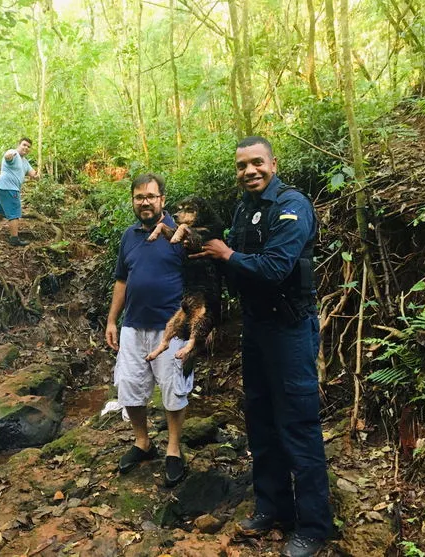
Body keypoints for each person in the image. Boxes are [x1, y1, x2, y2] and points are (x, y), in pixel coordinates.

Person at [194, 136, 331, 557]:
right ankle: (273, 507)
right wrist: (214, 260)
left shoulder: (292, 206)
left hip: (289, 329)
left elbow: (274, 267)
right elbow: (238, 269)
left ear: (273, 163)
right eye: (242, 166)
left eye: (257, 163)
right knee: (260, 418)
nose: (250, 171)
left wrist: (228, 255)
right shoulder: (243, 209)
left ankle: (313, 526)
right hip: (256, 329)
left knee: (298, 423)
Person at [105, 173, 191, 488]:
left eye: (151, 196)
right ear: (133, 200)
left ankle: (173, 448)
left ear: (162, 200)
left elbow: (199, 279)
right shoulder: (128, 236)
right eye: (139, 197)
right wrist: (112, 319)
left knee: (173, 389)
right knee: (128, 387)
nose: (145, 202)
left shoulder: (180, 234)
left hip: (172, 327)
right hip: (132, 326)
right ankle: (143, 442)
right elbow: (122, 281)